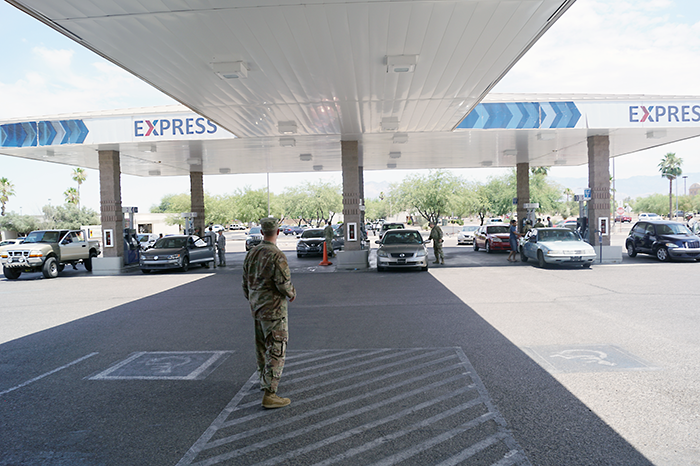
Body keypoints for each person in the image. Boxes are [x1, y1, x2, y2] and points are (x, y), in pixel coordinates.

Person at [242, 217, 296, 409]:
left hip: (257, 309)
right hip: (273, 310)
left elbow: (245, 283)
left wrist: (254, 299)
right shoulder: (276, 255)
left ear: (262, 232)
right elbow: (283, 283)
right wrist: (291, 293)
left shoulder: (252, 253)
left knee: (262, 349)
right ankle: (270, 394)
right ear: (278, 232)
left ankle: (263, 381)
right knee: (276, 348)